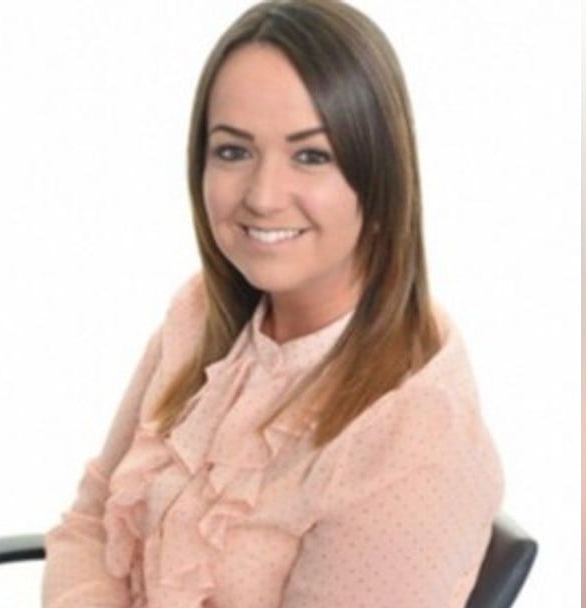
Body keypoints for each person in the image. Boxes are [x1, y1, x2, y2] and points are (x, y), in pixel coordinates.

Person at [42, 1, 504, 606]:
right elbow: (90, 524)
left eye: (311, 156)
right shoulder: (199, 315)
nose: (262, 196)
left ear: (379, 178)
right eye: (233, 151)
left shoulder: (414, 435)